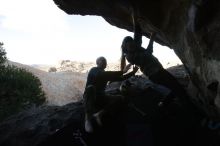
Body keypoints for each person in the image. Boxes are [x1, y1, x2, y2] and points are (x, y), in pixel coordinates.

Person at [120, 10, 190, 106]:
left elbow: (137, 34)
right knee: (177, 88)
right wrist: (152, 39)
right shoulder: (130, 56)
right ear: (125, 46)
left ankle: (163, 104)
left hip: (158, 70)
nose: (132, 45)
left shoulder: (135, 47)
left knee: (175, 87)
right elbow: (147, 54)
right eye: (129, 45)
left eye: (132, 43)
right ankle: (190, 109)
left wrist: (134, 19)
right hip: (155, 74)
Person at [84, 56, 139, 133]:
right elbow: (103, 75)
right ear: (97, 63)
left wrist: (133, 72)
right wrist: (122, 71)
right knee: (90, 88)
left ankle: (99, 114)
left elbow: (121, 78)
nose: (104, 62)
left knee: (120, 98)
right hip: (91, 97)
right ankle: (87, 119)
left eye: (105, 61)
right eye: (102, 60)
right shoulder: (94, 70)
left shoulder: (105, 74)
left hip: (101, 97)